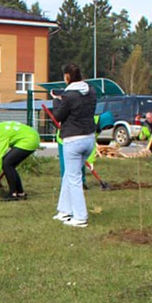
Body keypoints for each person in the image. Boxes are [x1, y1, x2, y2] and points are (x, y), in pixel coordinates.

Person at [49, 63, 97, 227]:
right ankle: (64, 210)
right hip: (89, 138)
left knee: (74, 178)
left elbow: (58, 116)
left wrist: (56, 101)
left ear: (67, 76)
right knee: (70, 175)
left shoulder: (69, 96)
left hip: (73, 140)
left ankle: (80, 217)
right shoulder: (91, 91)